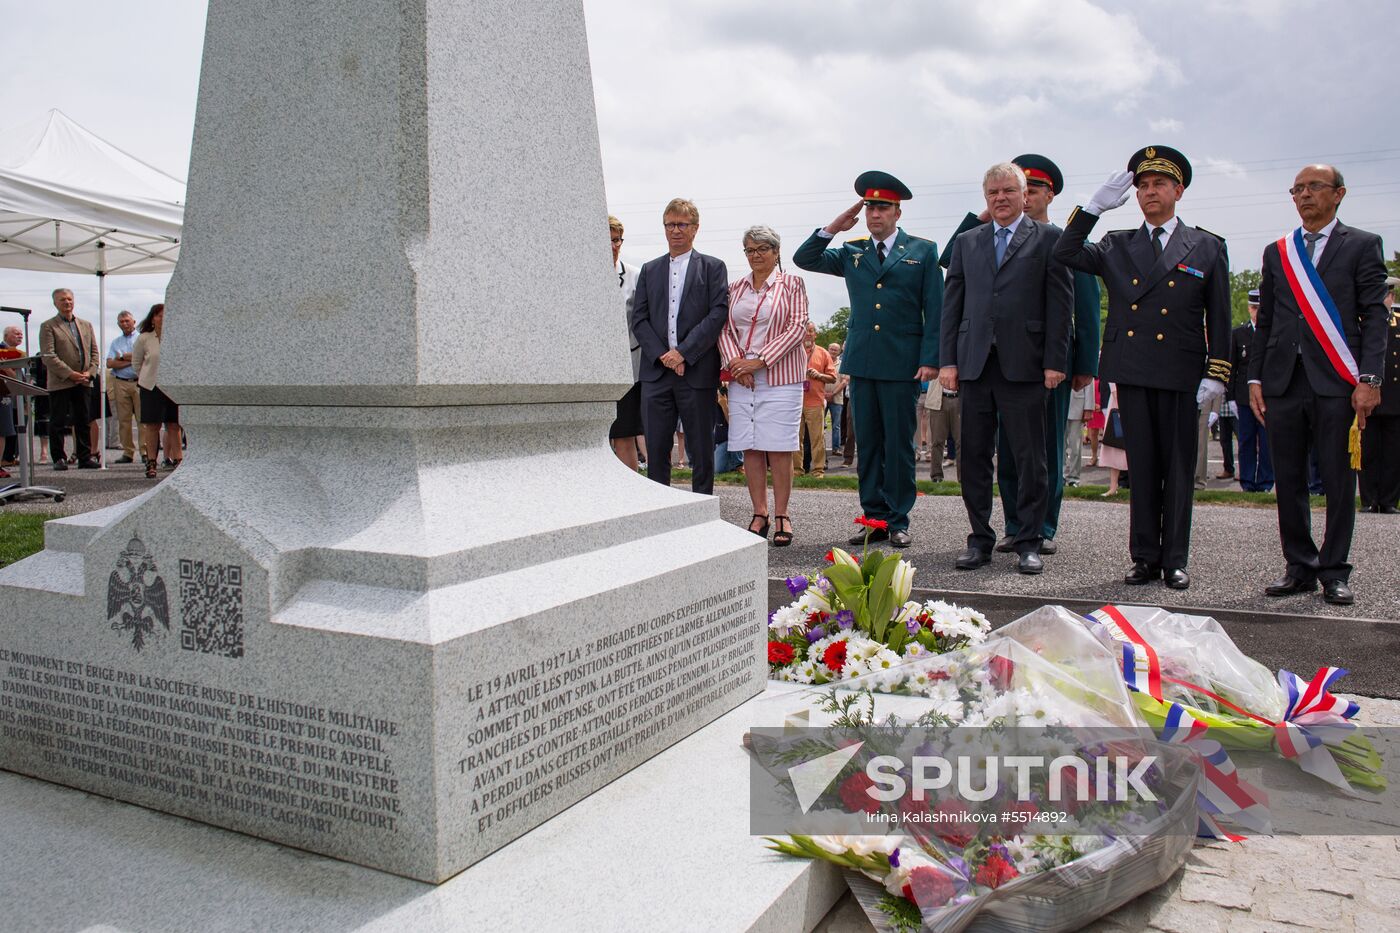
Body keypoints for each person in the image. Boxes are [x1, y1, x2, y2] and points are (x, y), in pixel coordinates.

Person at [1054, 145, 1232, 590]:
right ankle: (1144, 557)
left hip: (1181, 371)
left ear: (1179, 190)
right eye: (1142, 186)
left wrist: (1218, 372)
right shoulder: (1116, 244)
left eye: (1159, 184)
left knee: (1177, 468)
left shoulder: (1207, 246)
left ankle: (1175, 559)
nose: (1149, 192)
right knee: (1143, 467)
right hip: (1133, 367)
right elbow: (1065, 252)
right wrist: (1093, 207)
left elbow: (1221, 316)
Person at [1250, 165, 1389, 605]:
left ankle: (1334, 570)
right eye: (1298, 189)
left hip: (1336, 380)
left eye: (1314, 187)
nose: (1305, 195)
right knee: (1287, 479)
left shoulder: (1363, 245)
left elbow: (1374, 317)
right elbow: (1266, 320)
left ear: (1339, 194)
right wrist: (1255, 375)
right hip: (1283, 381)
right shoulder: (1279, 252)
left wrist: (1370, 378)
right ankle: (1299, 567)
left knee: (1337, 478)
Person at [794, 171, 942, 548]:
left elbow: (934, 309)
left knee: (899, 445)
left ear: (897, 213)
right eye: (870, 207)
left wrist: (930, 358)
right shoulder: (853, 250)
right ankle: (873, 518)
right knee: (870, 445)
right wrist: (834, 227)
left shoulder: (922, 251)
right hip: (863, 363)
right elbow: (804, 258)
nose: (875, 214)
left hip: (902, 362)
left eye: (882, 207)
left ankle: (898, 519)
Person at [939, 162, 1072, 574]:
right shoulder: (967, 241)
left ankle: (1028, 539)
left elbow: (1060, 306)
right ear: (986, 198)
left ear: (1025, 194)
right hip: (976, 365)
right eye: (993, 192)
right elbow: (952, 304)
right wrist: (947, 360)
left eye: (1009, 191)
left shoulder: (1049, 239)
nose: (1000, 198)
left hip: (1026, 365)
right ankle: (980, 539)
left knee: (1031, 458)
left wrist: (1055, 362)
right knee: (973, 457)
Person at [630, 198, 729, 495]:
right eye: (670, 224)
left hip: (696, 372)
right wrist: (665, 356)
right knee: (657, 450)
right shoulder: (649, 270)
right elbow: (640, 319)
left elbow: (717, 314)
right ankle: (660, 510)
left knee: (700, 449)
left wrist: (684, 352)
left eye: (682, 224)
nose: (675, 230)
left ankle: (702, 509)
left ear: (695, 229)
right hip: (657, 374)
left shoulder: (712, 267)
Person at [719, 224, 809, 545]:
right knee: (751, 446)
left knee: (779, 447)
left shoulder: (792, 284)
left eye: (762, 249)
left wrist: (759, 361)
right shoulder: (736, 287)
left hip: (780, 377)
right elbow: (724, 329)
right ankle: (760, 511)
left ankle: (783, 512)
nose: (756, 255)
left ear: (776, 251)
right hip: (742, 379)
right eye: (750, 250)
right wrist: (736, 364)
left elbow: (797, 327)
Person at [38, 287, 100, 470]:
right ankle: (59, 458)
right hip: (61, 382)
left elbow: (94, 352)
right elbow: (48, 356)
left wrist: (89, 372)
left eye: (69, 299)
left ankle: (84, 457)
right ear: (55, 303)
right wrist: (70, 374)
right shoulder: (48, 326)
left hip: (84, 380)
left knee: (83, 420)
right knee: (57, 421)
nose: (67, 302)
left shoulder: (86, 325)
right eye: (62, 300)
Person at [1359, 278, 1400, 513]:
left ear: (1392, 297)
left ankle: (1389, 500)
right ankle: (1368, 499)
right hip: (1368, 397)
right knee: (1367, 450)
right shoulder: (1362, 321)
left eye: (1386, 295)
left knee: (1394, 453)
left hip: (1395, 398)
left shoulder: (1398, 321)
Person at [607, 215, 643, 471]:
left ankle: (631, 492)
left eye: (617, 240)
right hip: (594, 368)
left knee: (624, 436)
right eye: (607, 240)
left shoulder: (634, 276)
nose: (612, 245)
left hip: (627, 368)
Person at [132, 303, 182, 478]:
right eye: (159, 315)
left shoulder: (176, 337)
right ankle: (151, 461)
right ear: (153, 318)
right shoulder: (144, 338)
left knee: (173, 425)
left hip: (172, 387)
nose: (163, 318)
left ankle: (178, 460)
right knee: (152, 426)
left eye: (166, 315)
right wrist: (145, 378)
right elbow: (136, 363)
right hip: (151, 386)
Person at [1230, 290, 1273, 491]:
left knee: (1266, 442)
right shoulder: (1239, 333)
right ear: (1249, 308)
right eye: (1254, 308)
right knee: (1246, 440)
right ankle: (1247, 481)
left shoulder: (1272, 332)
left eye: (1260, 308)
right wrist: (1230, 397)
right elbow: (1233, 367)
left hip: (1267, 397)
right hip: (1244, 396)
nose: (1256, 312)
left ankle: (1265, 481)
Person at [794, 324, 836, 479]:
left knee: (817, 439)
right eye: (805, 331)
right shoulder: (794, 351)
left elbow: (833, 377)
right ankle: (797, 470)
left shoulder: (823, 353)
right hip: (795, 402)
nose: (807, 334)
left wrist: (818, 375)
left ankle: (818, 471)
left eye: (810, 331)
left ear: (815, 334)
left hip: (815, 402)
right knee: (795, 439)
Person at [105, 310, 140, 464]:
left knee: (142, 419)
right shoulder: (115, 342)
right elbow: (110, 363)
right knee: (123, 420)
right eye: (121, 321)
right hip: (121, 382)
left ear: (134, 322)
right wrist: (131, 359)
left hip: (139, 382)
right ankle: (128, 452)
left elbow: (144, 357)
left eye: (127, 321)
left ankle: (145, 451)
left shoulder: (141, 339)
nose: (125, 324)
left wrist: (123, 357)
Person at [921, 379, 959, 482]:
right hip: (938, 399)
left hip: (959, 398)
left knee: (961, 442)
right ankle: (936, 476)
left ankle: (963, 477)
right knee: (937, 441)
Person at [0, 324, 23, 469]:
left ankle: (6, 459)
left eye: (21, 334)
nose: (20, 335)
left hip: (10, 396)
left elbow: (20, 379)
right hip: (4, 394)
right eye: (16, 333)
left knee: (6, 430)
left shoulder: (19, 354)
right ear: (6, 336)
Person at [825, 342, 847, 452]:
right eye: (831, 349)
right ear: (828, 349)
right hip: (822, 398)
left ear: (839, 352)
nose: (833, 351)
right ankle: (820, 449)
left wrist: (832, 393)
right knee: (819, 426)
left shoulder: (842, 364)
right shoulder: (823, 362)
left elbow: (844, 382)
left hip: (837, 398)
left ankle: (836, 448)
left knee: (836, 425)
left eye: (835, 350)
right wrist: (825, 394)